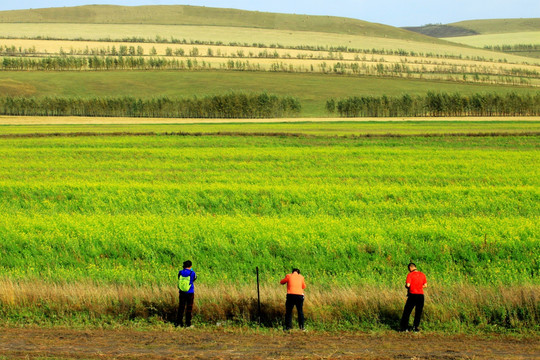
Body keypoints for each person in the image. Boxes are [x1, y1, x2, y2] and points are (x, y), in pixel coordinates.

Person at [400, 262, 427, 332]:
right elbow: (425, 285)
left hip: (412, 295)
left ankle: (404, 328)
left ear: (410, 268)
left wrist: (407, 286)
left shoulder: (410, 275)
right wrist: (419, 287)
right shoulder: (422, 274)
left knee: (407, 311)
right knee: (418, 312)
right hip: (421, 295)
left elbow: (408, 285)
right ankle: (415, 327)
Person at [175, 260, 197, 328]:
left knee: (181, 307)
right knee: (189, 308)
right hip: (190, 292)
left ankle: (179, 323)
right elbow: (194, 278)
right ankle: (188, 324)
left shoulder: (180, 272)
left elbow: (179, 278)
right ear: (190, 266)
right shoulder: (192, 273)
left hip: (182, 292)